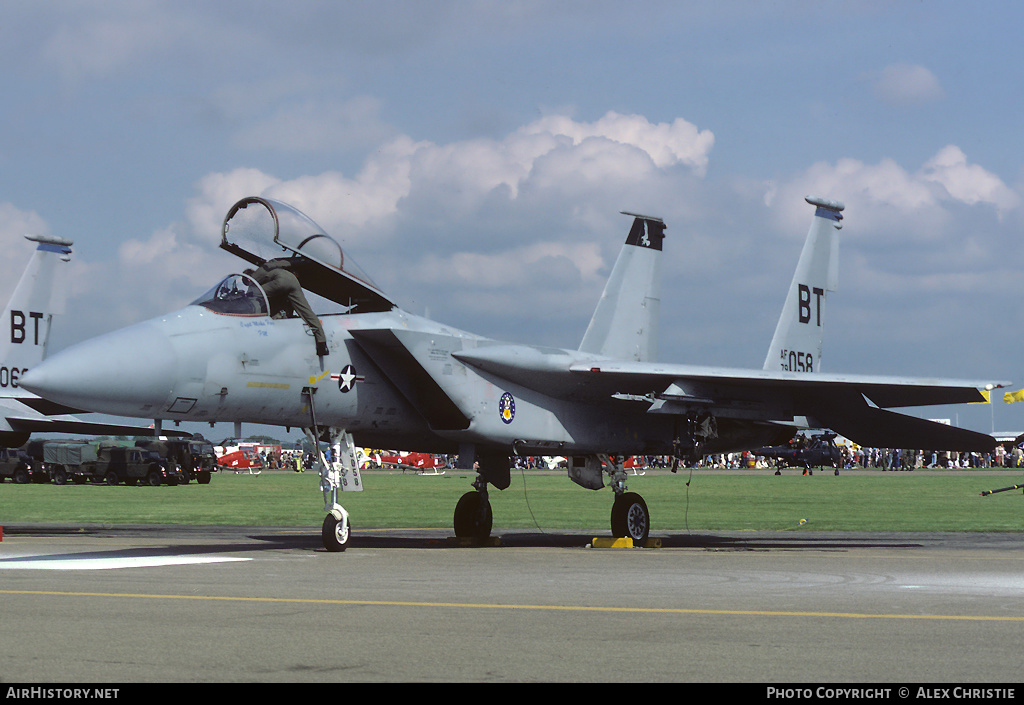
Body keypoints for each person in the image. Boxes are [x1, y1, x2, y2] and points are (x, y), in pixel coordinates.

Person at [244, 258, 329, 356]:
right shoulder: (269, 266)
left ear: (248, 278)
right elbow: (283, 263)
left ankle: (255, 324)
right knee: (306, 312)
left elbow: (251, 295)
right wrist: (303, 261)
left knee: (255, 295)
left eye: (246, 282)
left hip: (279, 281)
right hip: (292, 280)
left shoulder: (255, 277)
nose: (248, 284)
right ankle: (322, 343)